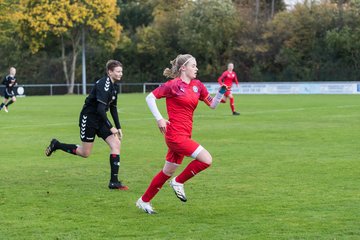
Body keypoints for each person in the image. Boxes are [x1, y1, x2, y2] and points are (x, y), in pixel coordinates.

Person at [136, 54, 228, 214]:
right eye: (193, 65)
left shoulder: (197, 85)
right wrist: (159, 119)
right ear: (183, 68)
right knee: (206, 159)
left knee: (167, 172)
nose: (196, 68)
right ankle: (178, 182)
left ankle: (143, 201)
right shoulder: (173, 85)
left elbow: (212, 104)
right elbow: (150, 97)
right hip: (175, 136)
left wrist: (220, 93)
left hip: (185, 135)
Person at [45, 60, 128, 190]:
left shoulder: (114, 87)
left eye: (121, 71)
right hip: (89, 119)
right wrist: (111, 127)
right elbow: (101, 109)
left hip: (100, 119)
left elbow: (113, 108)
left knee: (116, 144)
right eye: (118, 71)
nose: (120, 74)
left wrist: (118, 127)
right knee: (85, 153)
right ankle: (57, 145)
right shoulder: (103, 84)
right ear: (110, 72)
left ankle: (114, 182)